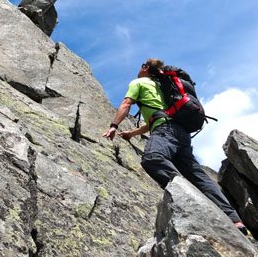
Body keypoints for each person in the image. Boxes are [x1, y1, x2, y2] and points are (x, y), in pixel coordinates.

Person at [102, 58, 248, 235]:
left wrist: (114, 126)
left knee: (153, 158)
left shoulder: (138, 82)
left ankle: (191, 200)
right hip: (181, 132)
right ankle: (234, 219)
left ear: (146, 68)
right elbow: (157, 117)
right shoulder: (164, 86)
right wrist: (132, 134)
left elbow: (126, 104)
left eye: (141, 66)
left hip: (165, 130)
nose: (138, 69)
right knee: (197, 175)